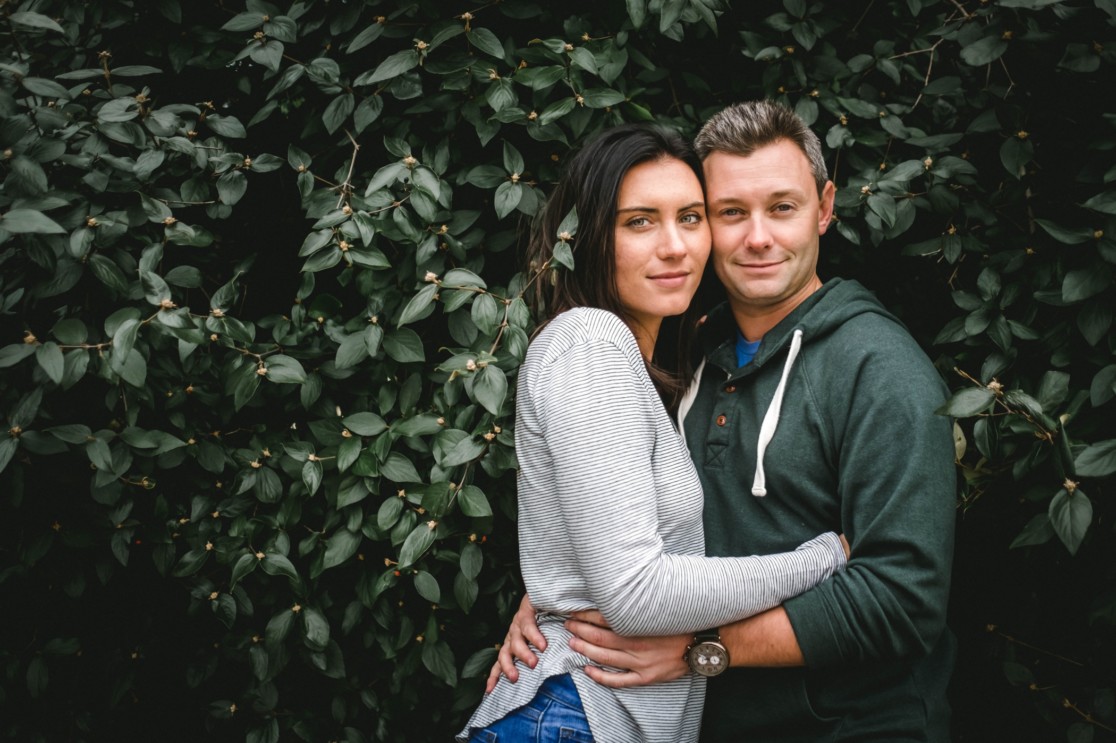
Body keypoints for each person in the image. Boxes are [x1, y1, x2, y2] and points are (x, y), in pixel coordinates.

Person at [491, 101, 958, 742]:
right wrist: (561, 593)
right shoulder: (683, 353)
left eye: (782, 207)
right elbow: (627, 529)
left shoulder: (880, 368)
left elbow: (903, 600)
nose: (757, 237)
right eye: (730, 212)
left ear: (825, 208)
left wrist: (703, 647)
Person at [458, 122, 849, 743]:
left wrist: (554, 590)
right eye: (639, 222)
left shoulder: (651, 363)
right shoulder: (591, 343)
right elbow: (636, 595)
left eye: (690, 218)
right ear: (589, 237)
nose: (675, 247)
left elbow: (609, 552)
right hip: (572, 716)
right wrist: (827, 558)